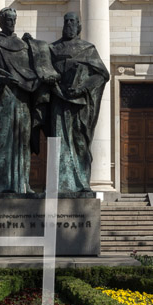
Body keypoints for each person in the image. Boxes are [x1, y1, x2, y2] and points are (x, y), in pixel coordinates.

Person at [0, 7, 46, 194]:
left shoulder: (23, 46)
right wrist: (1, 79)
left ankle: (23, 185)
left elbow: (34, 72)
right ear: (0, 22)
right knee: (4, 142)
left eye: (13, 19)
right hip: (3, 101)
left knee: (23, 143)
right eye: (7, 20)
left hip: (23, 102)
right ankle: (2, 185)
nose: (11, 23)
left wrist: (34, 47)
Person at [45, 12, 110, 194]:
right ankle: (58, 184)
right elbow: (44, 69)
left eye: (73, 22)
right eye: (66, 21)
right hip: (59, 101)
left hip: (80, 104)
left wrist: (82, 88)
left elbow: (102, 74)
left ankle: (81, 183)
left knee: (80, 141)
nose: (69, 25)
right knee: (57, 140)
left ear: (79, 26)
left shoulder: (87, 49)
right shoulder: (52, 48)